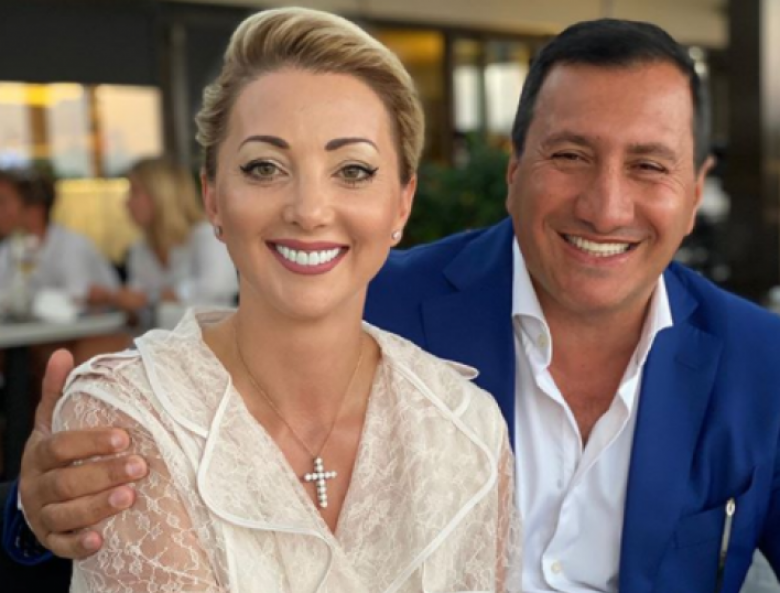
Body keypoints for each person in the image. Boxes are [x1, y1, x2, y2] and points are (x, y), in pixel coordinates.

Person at [4, 15, 780, 593]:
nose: (606, 206)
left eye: (649, 166)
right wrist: (39, 514)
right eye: (570, 154)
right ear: (513, 170)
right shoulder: (356, 290)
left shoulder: (761, 360)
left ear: (695, 188)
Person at [2, 7, 521, 592]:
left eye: (353, 170)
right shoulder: (131, 416)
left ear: (402, 203)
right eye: (264, 167)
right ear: (213, 198)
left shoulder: (467, 425)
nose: (309, 210)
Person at [87, 156, 239, 322]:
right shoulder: (140, 248)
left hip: (211, 334)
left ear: (161, 195)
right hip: (162, 334)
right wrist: (114, 298)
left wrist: (149, 298)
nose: (126, 203)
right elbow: (139, 307)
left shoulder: (207, 235)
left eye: (135, 192)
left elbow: (217, 287)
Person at [0, 168, 120, 308]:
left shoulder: (72, 246)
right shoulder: (9, 248)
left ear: (35, 208)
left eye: (2, 202)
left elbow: (77, 302)